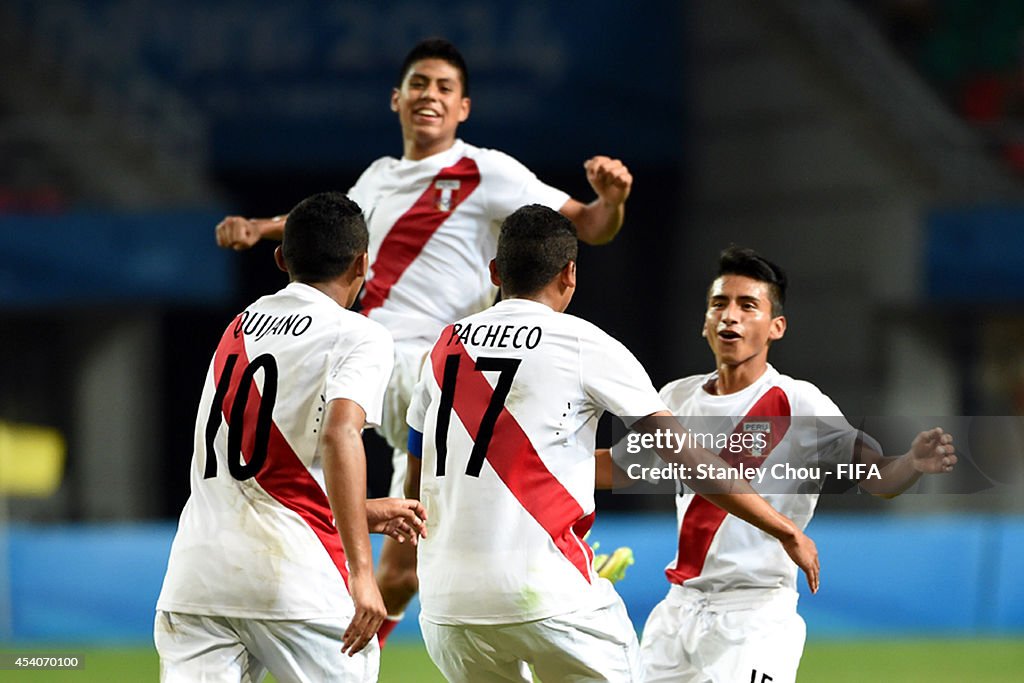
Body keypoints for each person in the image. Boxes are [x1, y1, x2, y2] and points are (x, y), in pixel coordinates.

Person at [214, 37, 635, 643]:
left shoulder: (487, 171)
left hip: (437, 368)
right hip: (373, 366)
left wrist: (610, 201)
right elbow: (328, 223)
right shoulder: (379, 177)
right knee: (414, 532)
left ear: (464, 107)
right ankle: (554, 545)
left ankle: (541, 544)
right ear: (396, 98)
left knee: (403, 568)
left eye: (443, 87)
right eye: (418, 84)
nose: (429, 95)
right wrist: (261, 227)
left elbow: (590, 226)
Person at [404, 206, 822, 683]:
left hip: (445, 607)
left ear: (496, 272)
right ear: (570, 274)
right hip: (548, 596)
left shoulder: (444, 347)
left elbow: (420, 476)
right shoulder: (584, 343)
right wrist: (785, 529)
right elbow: (686, 459)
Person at [617, 246, 958, 683]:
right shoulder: (674, 398)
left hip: (754, 614)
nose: (730, 316)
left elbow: (876, 477)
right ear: (704, 320)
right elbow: (622, 468)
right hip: (677, 612)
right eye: (718, 303)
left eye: (747, 305)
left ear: (776, 326)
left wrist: (910, 462)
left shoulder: (799, 403)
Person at [155, 192, 427, 682]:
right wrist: (363, 574)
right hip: (296, 580)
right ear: (362, 262)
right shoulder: (358, 334)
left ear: (281, 258)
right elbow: (341, 433)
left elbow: (257, 479)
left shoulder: (237, 329)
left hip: (195, 583)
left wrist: (363, 511)